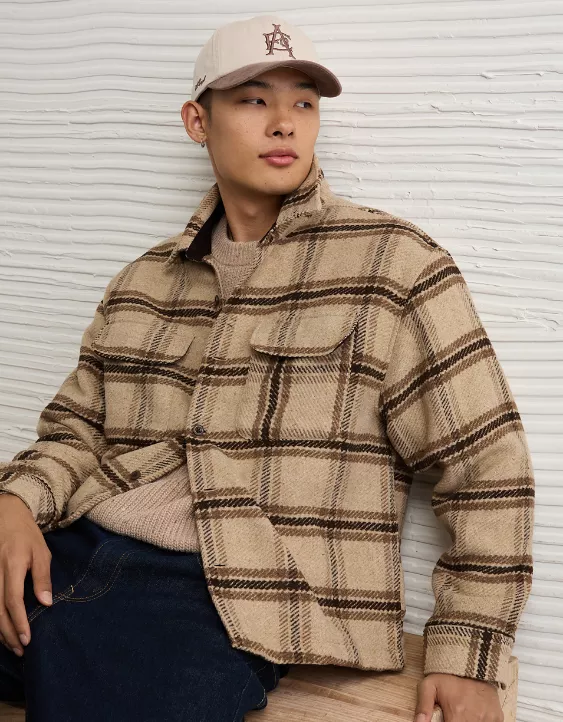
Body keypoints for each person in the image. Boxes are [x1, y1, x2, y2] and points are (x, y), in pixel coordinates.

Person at [0, 13, 534, 722]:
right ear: (198, 121)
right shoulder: (142, 281)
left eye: (303, 103)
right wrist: (15, 502)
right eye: (253, 99)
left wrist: (469, 647)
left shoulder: (393, 266)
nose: (284, 122)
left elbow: (486, 463)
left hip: (228, 596)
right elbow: (74, 433)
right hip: (76, 547)